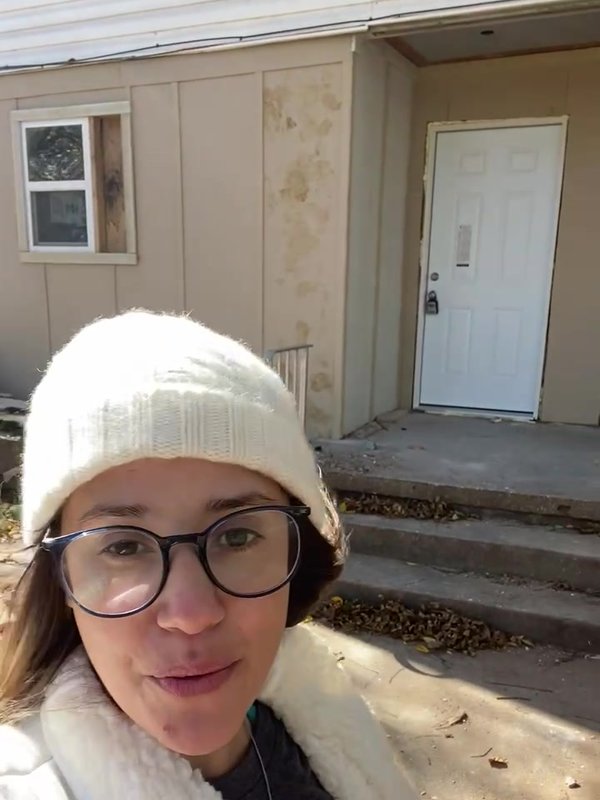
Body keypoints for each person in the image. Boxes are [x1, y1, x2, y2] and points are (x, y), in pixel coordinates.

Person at [0, 310, 414, 800]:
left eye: (236, 537)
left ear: (294, 554)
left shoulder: (323, 712)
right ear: (62, 579)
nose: (192, 614)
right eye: (123, 546)